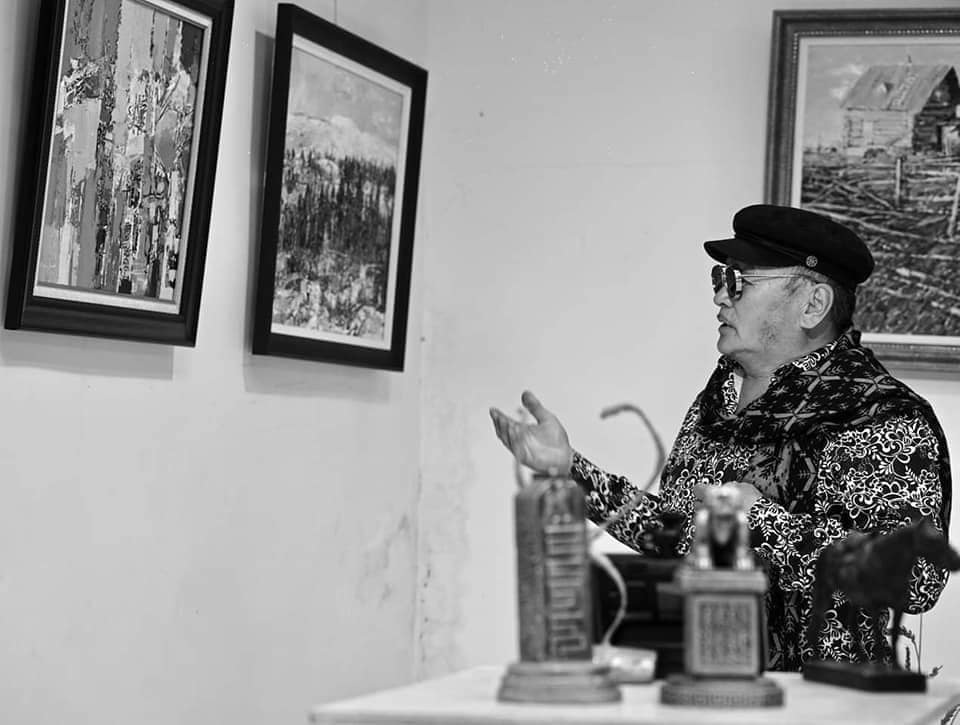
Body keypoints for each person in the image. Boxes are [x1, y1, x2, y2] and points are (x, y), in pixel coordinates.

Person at [489, 203, 953, 672]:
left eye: (739, 282)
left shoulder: (878, 414)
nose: (719, 297)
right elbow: (678, 534)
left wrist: (763, 523)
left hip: (822, 700)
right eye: (719, 278)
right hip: (701, 687)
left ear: (813, 305)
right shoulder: (719, 399)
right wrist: (571, 470)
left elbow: (914, 578)